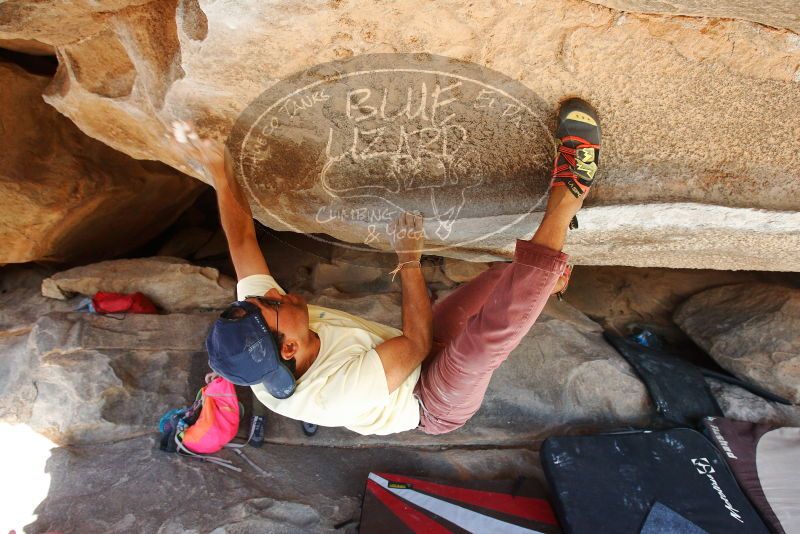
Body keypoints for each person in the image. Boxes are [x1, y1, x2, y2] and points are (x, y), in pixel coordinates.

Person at [174, 97, 600, 437]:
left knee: (497, 279)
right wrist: (408, 258)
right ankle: (570, 190)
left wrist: (219, 170)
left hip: (406, 355)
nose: (273, 291)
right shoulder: (333, 396)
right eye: (273, 304)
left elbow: (241, 240)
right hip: (427, 400)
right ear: (288, 349)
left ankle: (545, 273)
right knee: (482, 343)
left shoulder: (260, 332)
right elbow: (415, 344)